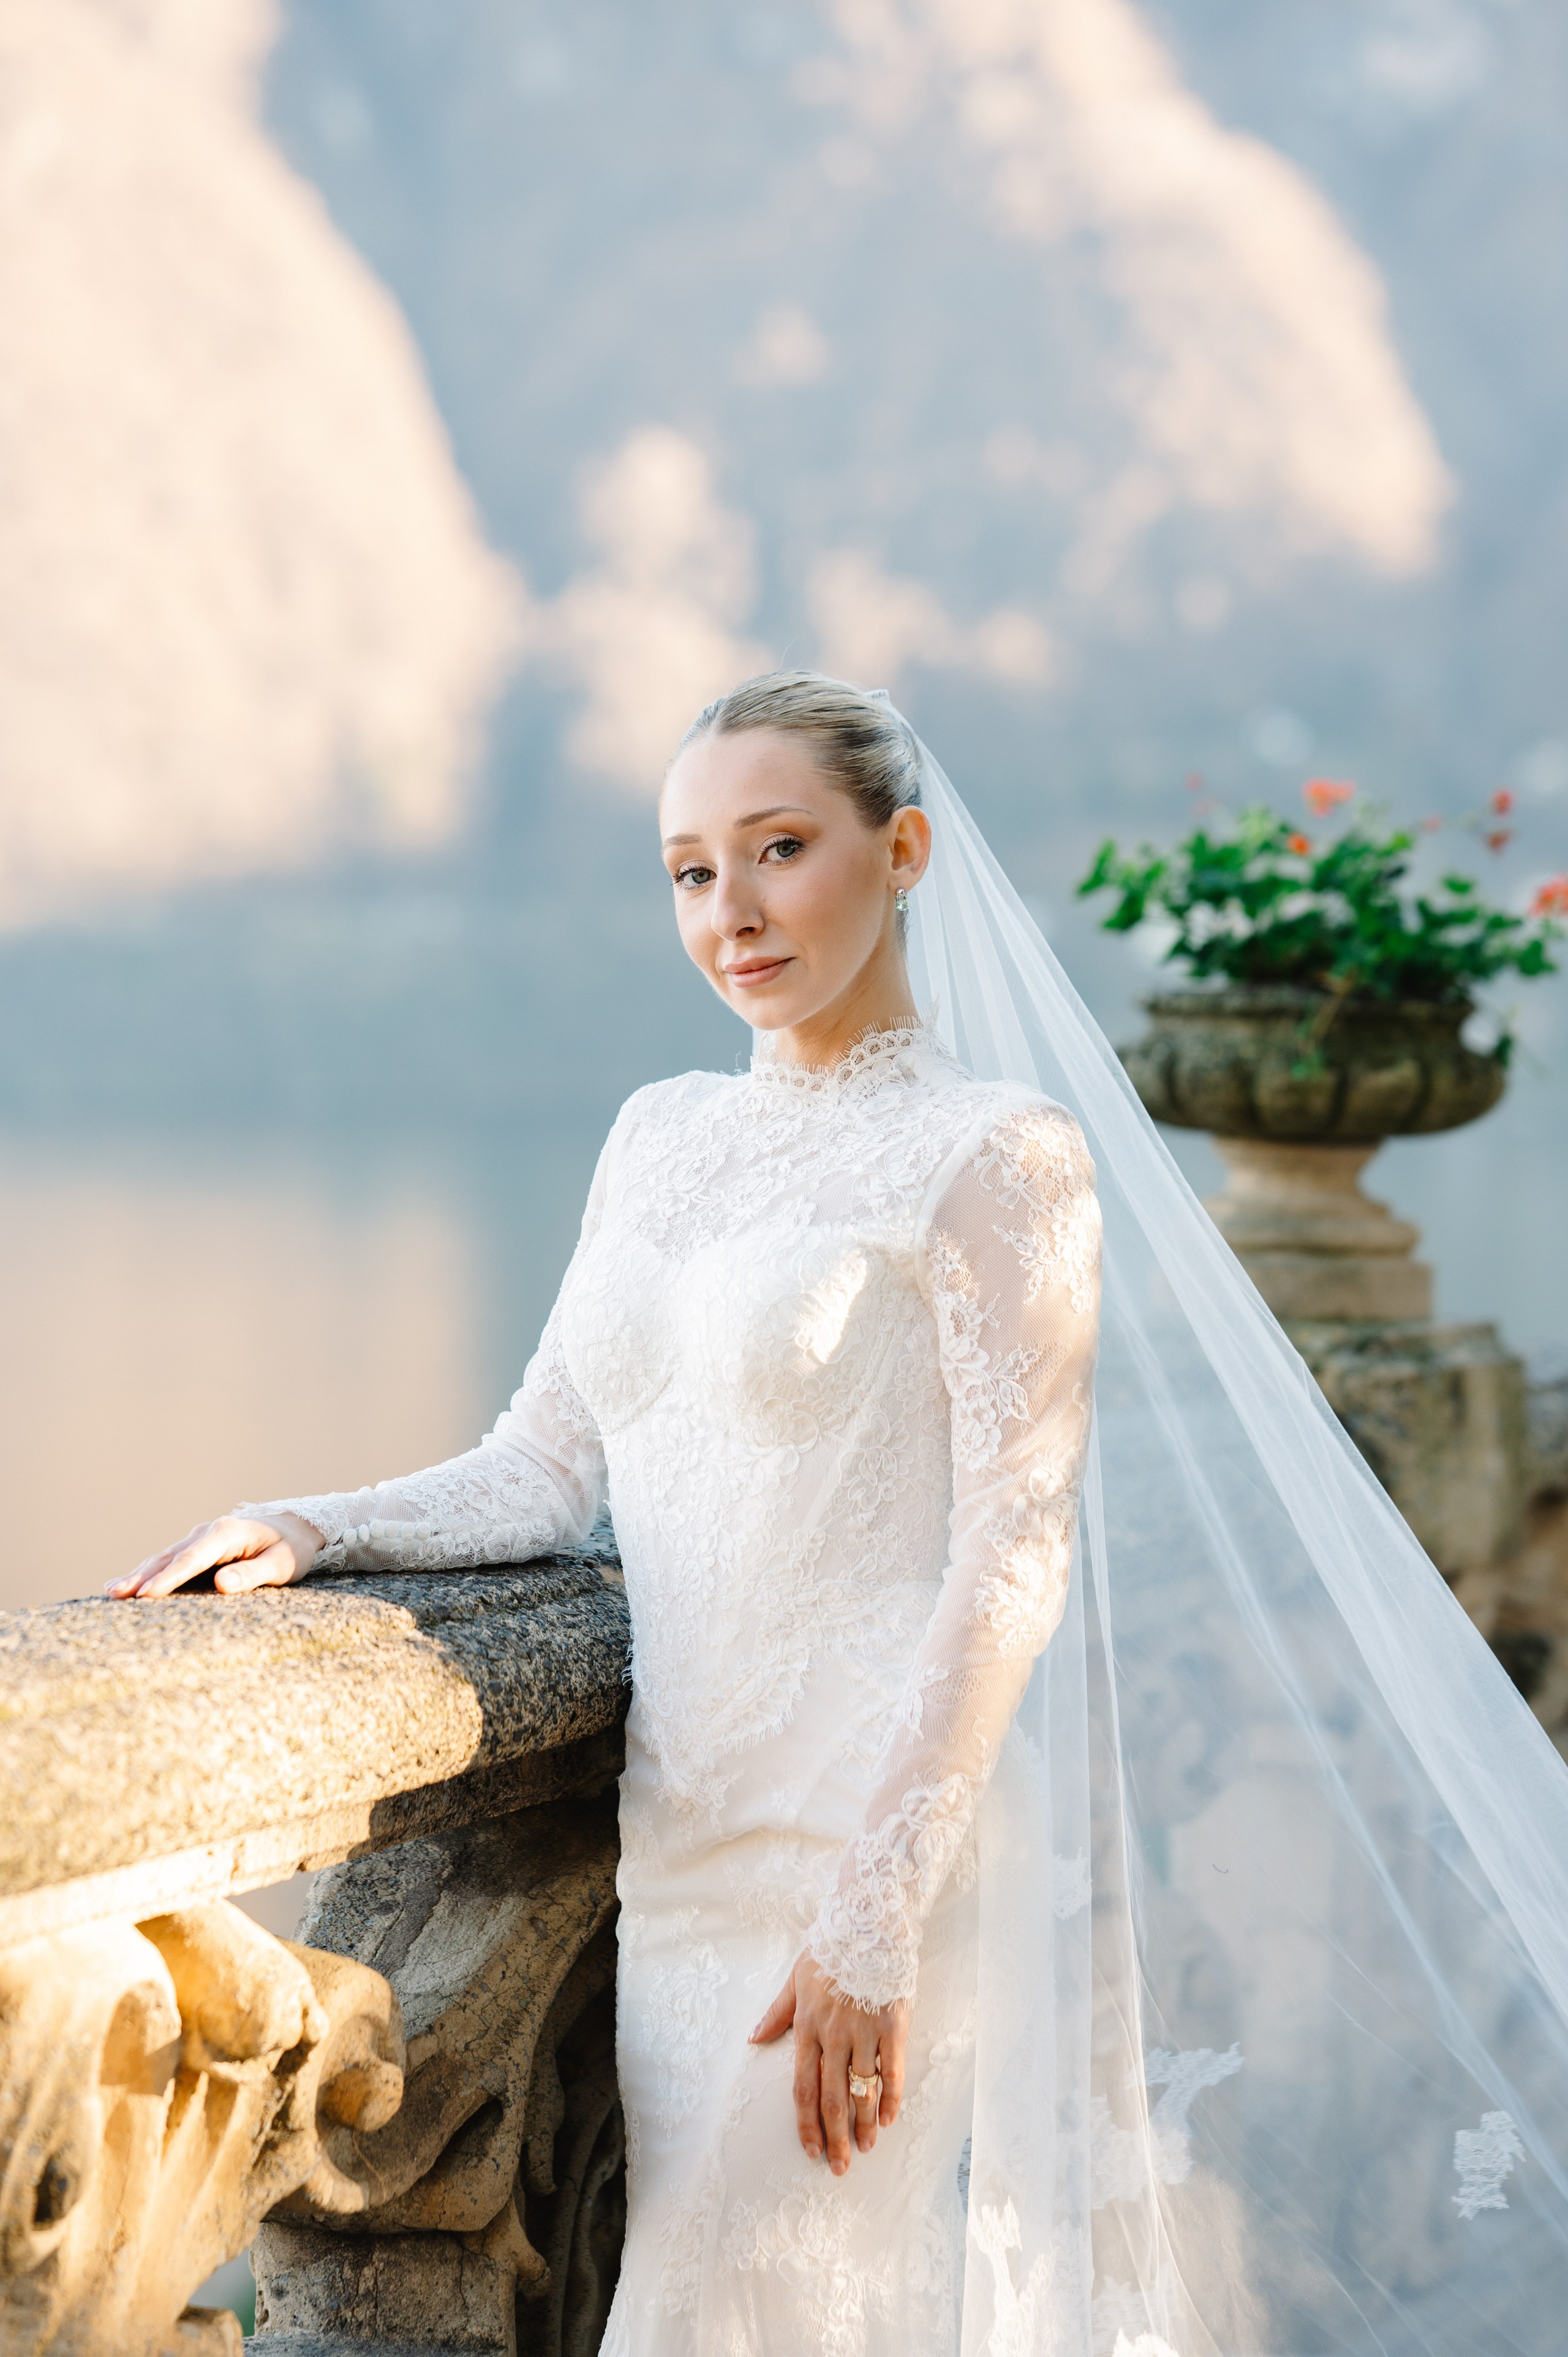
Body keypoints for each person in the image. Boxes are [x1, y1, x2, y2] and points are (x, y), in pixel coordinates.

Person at [113, 673, 1568, 2357]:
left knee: (718, 2318)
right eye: (689, 871)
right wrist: (308, 1523)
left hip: (879, 1848)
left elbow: (1016, 1540)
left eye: (780, 848)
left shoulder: (998, 1156)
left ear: (905, 849)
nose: (731, 911)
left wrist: (878, 1903)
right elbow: (542, 1465)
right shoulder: (658, 1137)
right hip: (683, 1844)